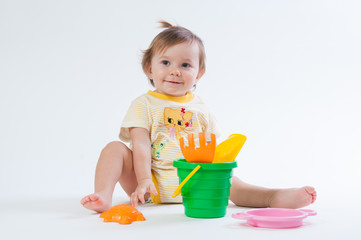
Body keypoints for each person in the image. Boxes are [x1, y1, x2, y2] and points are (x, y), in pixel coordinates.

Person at [81, 21, 317, 213]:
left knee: (232, 183)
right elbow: (140, 143)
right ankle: (103, 194)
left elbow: (212, 147)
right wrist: (143, 180)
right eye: (165, 62)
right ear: (149, 68)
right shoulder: (144, 104)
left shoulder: (201, 108)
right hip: (149, 186)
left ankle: (272, 196)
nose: (175, 71)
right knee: (115, 149)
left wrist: (217, 174)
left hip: (194, 182)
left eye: (185, 65)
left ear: (199, 73)